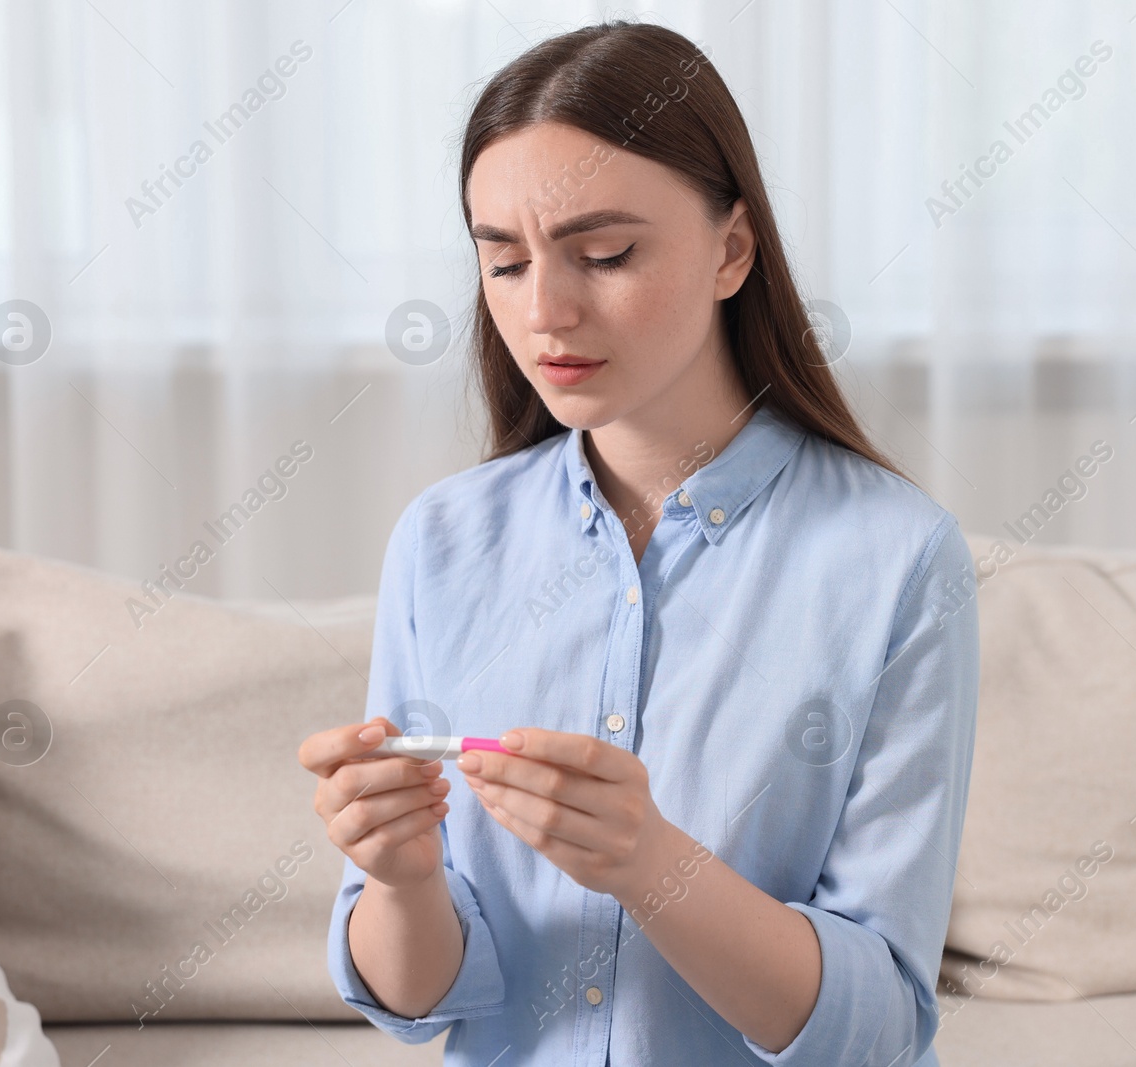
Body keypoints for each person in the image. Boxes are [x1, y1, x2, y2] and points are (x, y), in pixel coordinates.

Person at [298, 19, 979, 1066]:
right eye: (505, 262)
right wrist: (397, 875)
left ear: (731, 250)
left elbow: (878, 1025)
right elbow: (419, 998)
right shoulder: (443, 541)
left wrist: (647, 861)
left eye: (604, 254)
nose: (546, 311)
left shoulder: (892, 557)